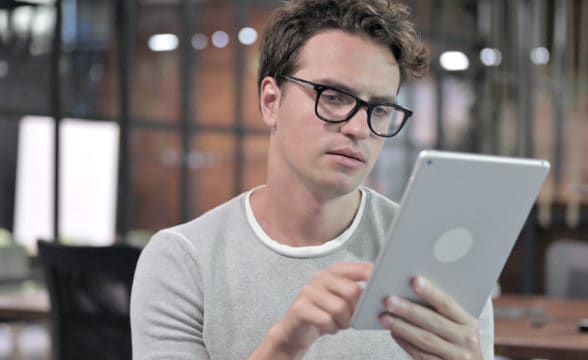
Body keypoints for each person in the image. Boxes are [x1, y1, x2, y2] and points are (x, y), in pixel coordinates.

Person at [130, 0, 494, 359]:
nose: (358, 128)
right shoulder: (183, 262)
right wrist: (286, 344)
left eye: (380, 110)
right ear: (271, 101)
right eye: (334, 97)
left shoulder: (436, 263)